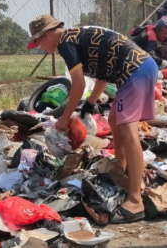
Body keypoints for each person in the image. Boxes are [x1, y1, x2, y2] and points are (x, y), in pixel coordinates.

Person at [26, 14, 157, 224]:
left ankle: (135, 201)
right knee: (115, 121)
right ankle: (119, 172)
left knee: (127, 129)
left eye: (39, 41)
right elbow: (103, 75)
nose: (40, 46)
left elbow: (78, 85)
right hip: (139, 68)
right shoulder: (78, 37)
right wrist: (89, 105)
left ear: (48, 34)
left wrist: (64, 119)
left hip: (135, 70)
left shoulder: (65, 43)